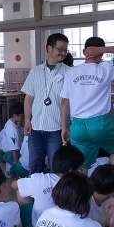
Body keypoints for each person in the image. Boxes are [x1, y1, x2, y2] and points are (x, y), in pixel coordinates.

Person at [61, 36, 114, 169]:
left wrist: (64, 127)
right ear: (102, 53)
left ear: (84, 52)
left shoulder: (71, 72)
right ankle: (106, 179)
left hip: (77, 126)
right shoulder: (107, 68)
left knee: (82, 163)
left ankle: (84, 181)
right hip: (100, 124)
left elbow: (65, 102)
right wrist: (100, 49)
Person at [21, 33, 69, 173]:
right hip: (35, 128)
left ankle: (54, 188)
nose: (63, 53)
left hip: (56, 129)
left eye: (65, 50)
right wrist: (27, 120)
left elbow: (66, 102)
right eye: (60, 49)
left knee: (56, 166)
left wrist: (65, 127)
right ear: (49, 48)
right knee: (35, 165)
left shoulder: (68, 72)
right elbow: (29, 98)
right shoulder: (35, 71)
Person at [13, 144, 84, 227]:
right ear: (71, 170)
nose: (82, 171)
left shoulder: (41, 179)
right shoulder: (80, 186)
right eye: (80, 168)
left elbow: (14, 185)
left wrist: (31, 182)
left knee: (21, 192)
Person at [0, 102, 24, 176]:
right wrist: (17, 165)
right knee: (19, 164)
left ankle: (4, 158)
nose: (23, 117)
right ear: (15, 115)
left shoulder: (12, 121)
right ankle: (9, 170)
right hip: (8, 152)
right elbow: (14, 150)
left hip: (2, 148)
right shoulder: (12, 130)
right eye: (22, 115)